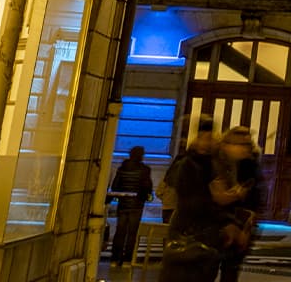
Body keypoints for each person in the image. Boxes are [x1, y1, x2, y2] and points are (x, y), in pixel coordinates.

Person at [159, 116, 238, 282]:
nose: (209, 142)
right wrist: (223, 203)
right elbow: (193, 202)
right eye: (205, 137)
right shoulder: (188, 164)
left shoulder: (213, 163)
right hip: (189, 233)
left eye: (211, 137)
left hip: (206, 237)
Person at [217, 127, 266, 282]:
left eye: (247, 144)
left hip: (240, 226)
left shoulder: (250, 166)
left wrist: (246, 229)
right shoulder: (217, 166)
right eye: (240, 144)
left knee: (230, 269)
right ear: (227, 145)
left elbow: (255, 199)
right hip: (218, 226)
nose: (245, 148)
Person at [108, 145, 154, 264]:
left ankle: (115, 254)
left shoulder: (122, 168)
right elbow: (147, 186)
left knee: (120, 230)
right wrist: (145, 196)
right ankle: (128, 256)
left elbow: (115, 186)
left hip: (123, 203)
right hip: (137, 204)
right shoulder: (145, 170)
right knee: (132, 232)